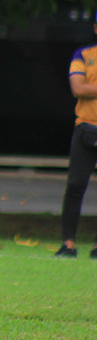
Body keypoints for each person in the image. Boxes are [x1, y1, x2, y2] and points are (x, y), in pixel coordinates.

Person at [55, 15, 97, 258]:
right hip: (86, 128)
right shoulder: (83, 55)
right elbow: (77, 88)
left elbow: (84, 88)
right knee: (75, 185)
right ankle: (68, 243)